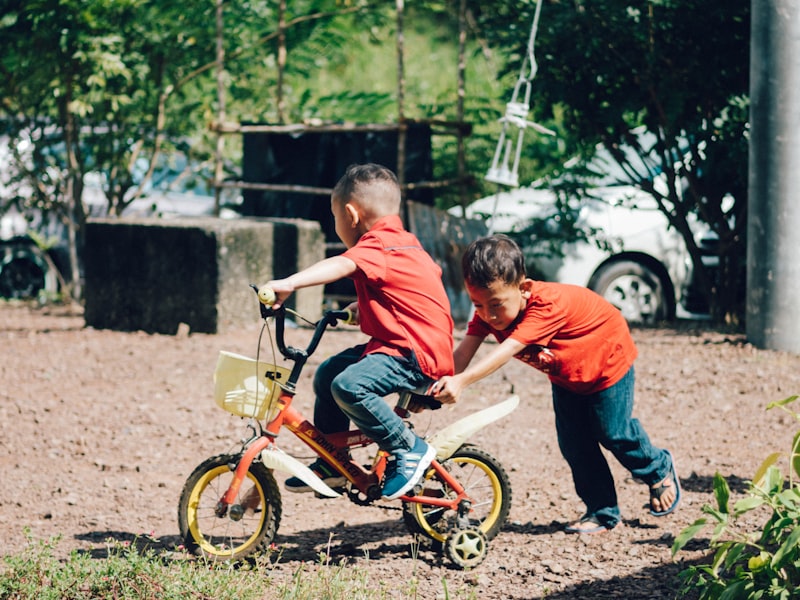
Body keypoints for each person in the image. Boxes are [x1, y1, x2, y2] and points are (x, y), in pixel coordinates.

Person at [433, 234, 680, 533]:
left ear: (523, 288)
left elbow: (506, 351)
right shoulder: (488, 312)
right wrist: (436, 382)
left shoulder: (545, 306)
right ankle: (602, 512)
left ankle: (657, 468)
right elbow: (463, 352)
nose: (488, 315)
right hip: (567, 375)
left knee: (614, 431)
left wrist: (462, 382)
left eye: (496, 304)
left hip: (607, 364)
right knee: (574, 444)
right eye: (478, 304)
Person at [261, 163, 454, 500]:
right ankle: (333, 460)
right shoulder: (404, 244)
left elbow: (342, 264)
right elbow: (402, 294)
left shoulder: (379, 244)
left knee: (348, 385)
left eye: (335, 219)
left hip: (412, 354)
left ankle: (407, 448)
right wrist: (359, 309)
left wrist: (290, 282)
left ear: (350, 214)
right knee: (328, 373)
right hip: (405, 345)